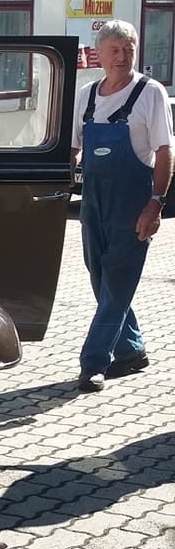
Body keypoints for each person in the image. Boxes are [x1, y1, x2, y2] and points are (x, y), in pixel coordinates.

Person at [71, 19, 173, 392]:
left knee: (117, 281)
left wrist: (156, 203)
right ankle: (131, 351)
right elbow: (73, 147)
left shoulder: (150, 93)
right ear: (99, 54)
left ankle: (93, 363)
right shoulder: (87, 95)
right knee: (101, 277)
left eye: (129, 48)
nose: (124, 56)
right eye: (116, 49)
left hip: (133, 202)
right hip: (92, 201)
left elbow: (165, 151)